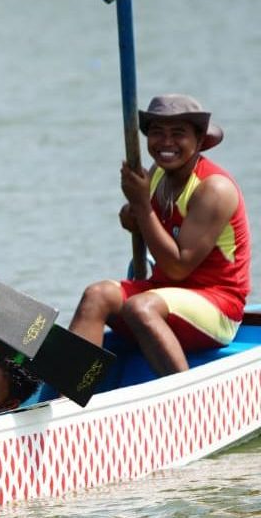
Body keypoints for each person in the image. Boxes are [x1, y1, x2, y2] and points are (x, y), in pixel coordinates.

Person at [69, 94, 251, 375]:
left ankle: (185, 401)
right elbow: (144, 225)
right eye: (157, 133)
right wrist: (133, 215)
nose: (166, 143)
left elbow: (178, 267)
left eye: (178, 134)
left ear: (199, 140)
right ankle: (71, 392)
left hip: (217, 305)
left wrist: (142, 206)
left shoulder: (214, 189)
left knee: (140, 308)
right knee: (96, 295)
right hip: (165, 293)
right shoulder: (156, 174)